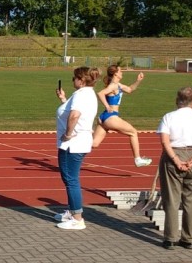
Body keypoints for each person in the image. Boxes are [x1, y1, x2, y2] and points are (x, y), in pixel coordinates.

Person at [53, 66, 101, 230]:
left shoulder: (82, 95)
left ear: (81, 80)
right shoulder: (87, 93)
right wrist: (63, 99)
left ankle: (77, 218)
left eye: (74, 78)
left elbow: (74, 115)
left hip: (72, 144)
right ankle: (72, 211)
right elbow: (70, 111)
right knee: (70, 179)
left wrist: (67, 134)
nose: (72, 80)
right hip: (78, 142)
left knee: (71, 179)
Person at [157, 86, 192, 250]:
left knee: (172, 200)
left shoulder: (169, 117)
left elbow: (164, 141)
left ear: (177, 100)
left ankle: (171, 238)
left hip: (173, 154)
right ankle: (189, 238)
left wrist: (175, 159)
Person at [92, 65, 152, 167]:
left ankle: (72, 145)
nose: (122, 72)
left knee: (94, 144)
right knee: (133, 132)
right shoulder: (113, 86)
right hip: (111, 117)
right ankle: (138, 159)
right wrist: (107, 106)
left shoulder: (118, 85)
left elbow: (130, 89)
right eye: (120, 71)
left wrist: (138, 80)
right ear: (115, 73)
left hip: (104, 117)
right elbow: (100, 93)